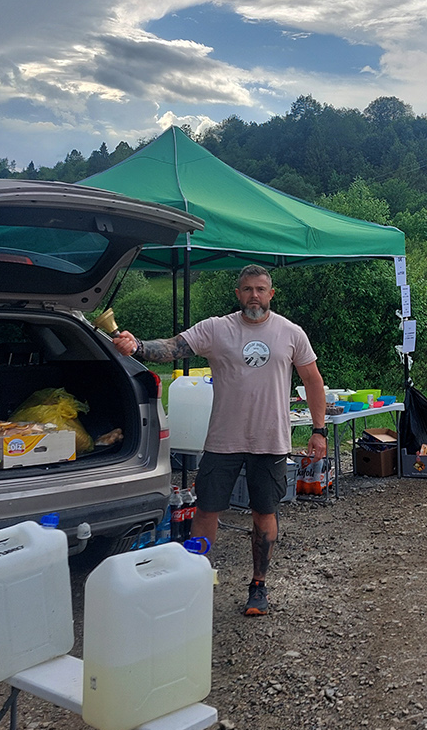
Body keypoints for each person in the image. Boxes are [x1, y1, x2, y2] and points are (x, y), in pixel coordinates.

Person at [112, 264, 327, 617]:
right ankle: (197, 579)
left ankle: (258, 585)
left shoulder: (291, 333)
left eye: (260, 289)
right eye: (247, 289)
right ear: (238, 293)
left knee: (264, 512)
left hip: (270, 441)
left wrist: (319, 430)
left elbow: (313, 380)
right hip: (223, 440)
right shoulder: (216, 329)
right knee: (207, 509)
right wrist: (138, 346)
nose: (254, 295)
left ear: (271, 294)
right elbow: (173, 347)